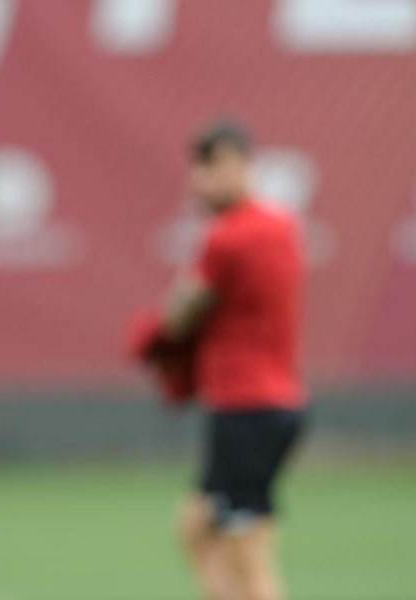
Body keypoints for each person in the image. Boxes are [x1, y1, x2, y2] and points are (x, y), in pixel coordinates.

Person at [162, 121, 306, 600]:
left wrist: (164, 328)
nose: (200, 182)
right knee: (198, 527)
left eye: (211, 169)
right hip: (261, 405)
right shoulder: (280, 224)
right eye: (197, 170)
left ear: (242, 164)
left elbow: (180, 315)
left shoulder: (229, 236)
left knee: (251, 559)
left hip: (249, 407)